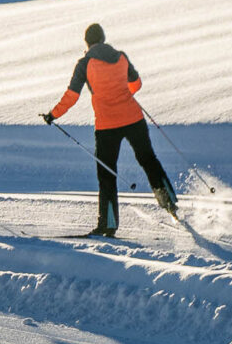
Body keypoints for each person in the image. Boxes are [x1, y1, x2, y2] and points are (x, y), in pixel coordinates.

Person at [44, 23, 176, 236]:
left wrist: (53, 115)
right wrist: (123, 92)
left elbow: (72, 95)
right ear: (104, 39)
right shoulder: (121, 56)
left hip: (107, 126)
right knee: (148, 159)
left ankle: (108, 224)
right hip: (134, 118)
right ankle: (168, 200)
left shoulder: (84, 63)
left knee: (107, 174)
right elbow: (136, 84)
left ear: (87, 42)